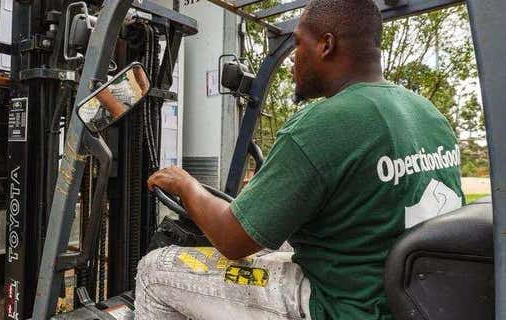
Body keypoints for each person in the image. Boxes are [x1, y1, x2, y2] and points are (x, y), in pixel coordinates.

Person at [136, 0, 464, 319]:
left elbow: (231, 239)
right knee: (269, 253)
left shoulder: (324, 124)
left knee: (154, 271)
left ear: (325, 45)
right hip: (411, 299)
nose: (294, 59)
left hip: (340, 305)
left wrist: (187, 185)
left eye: (298, 44)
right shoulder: (430, 116)